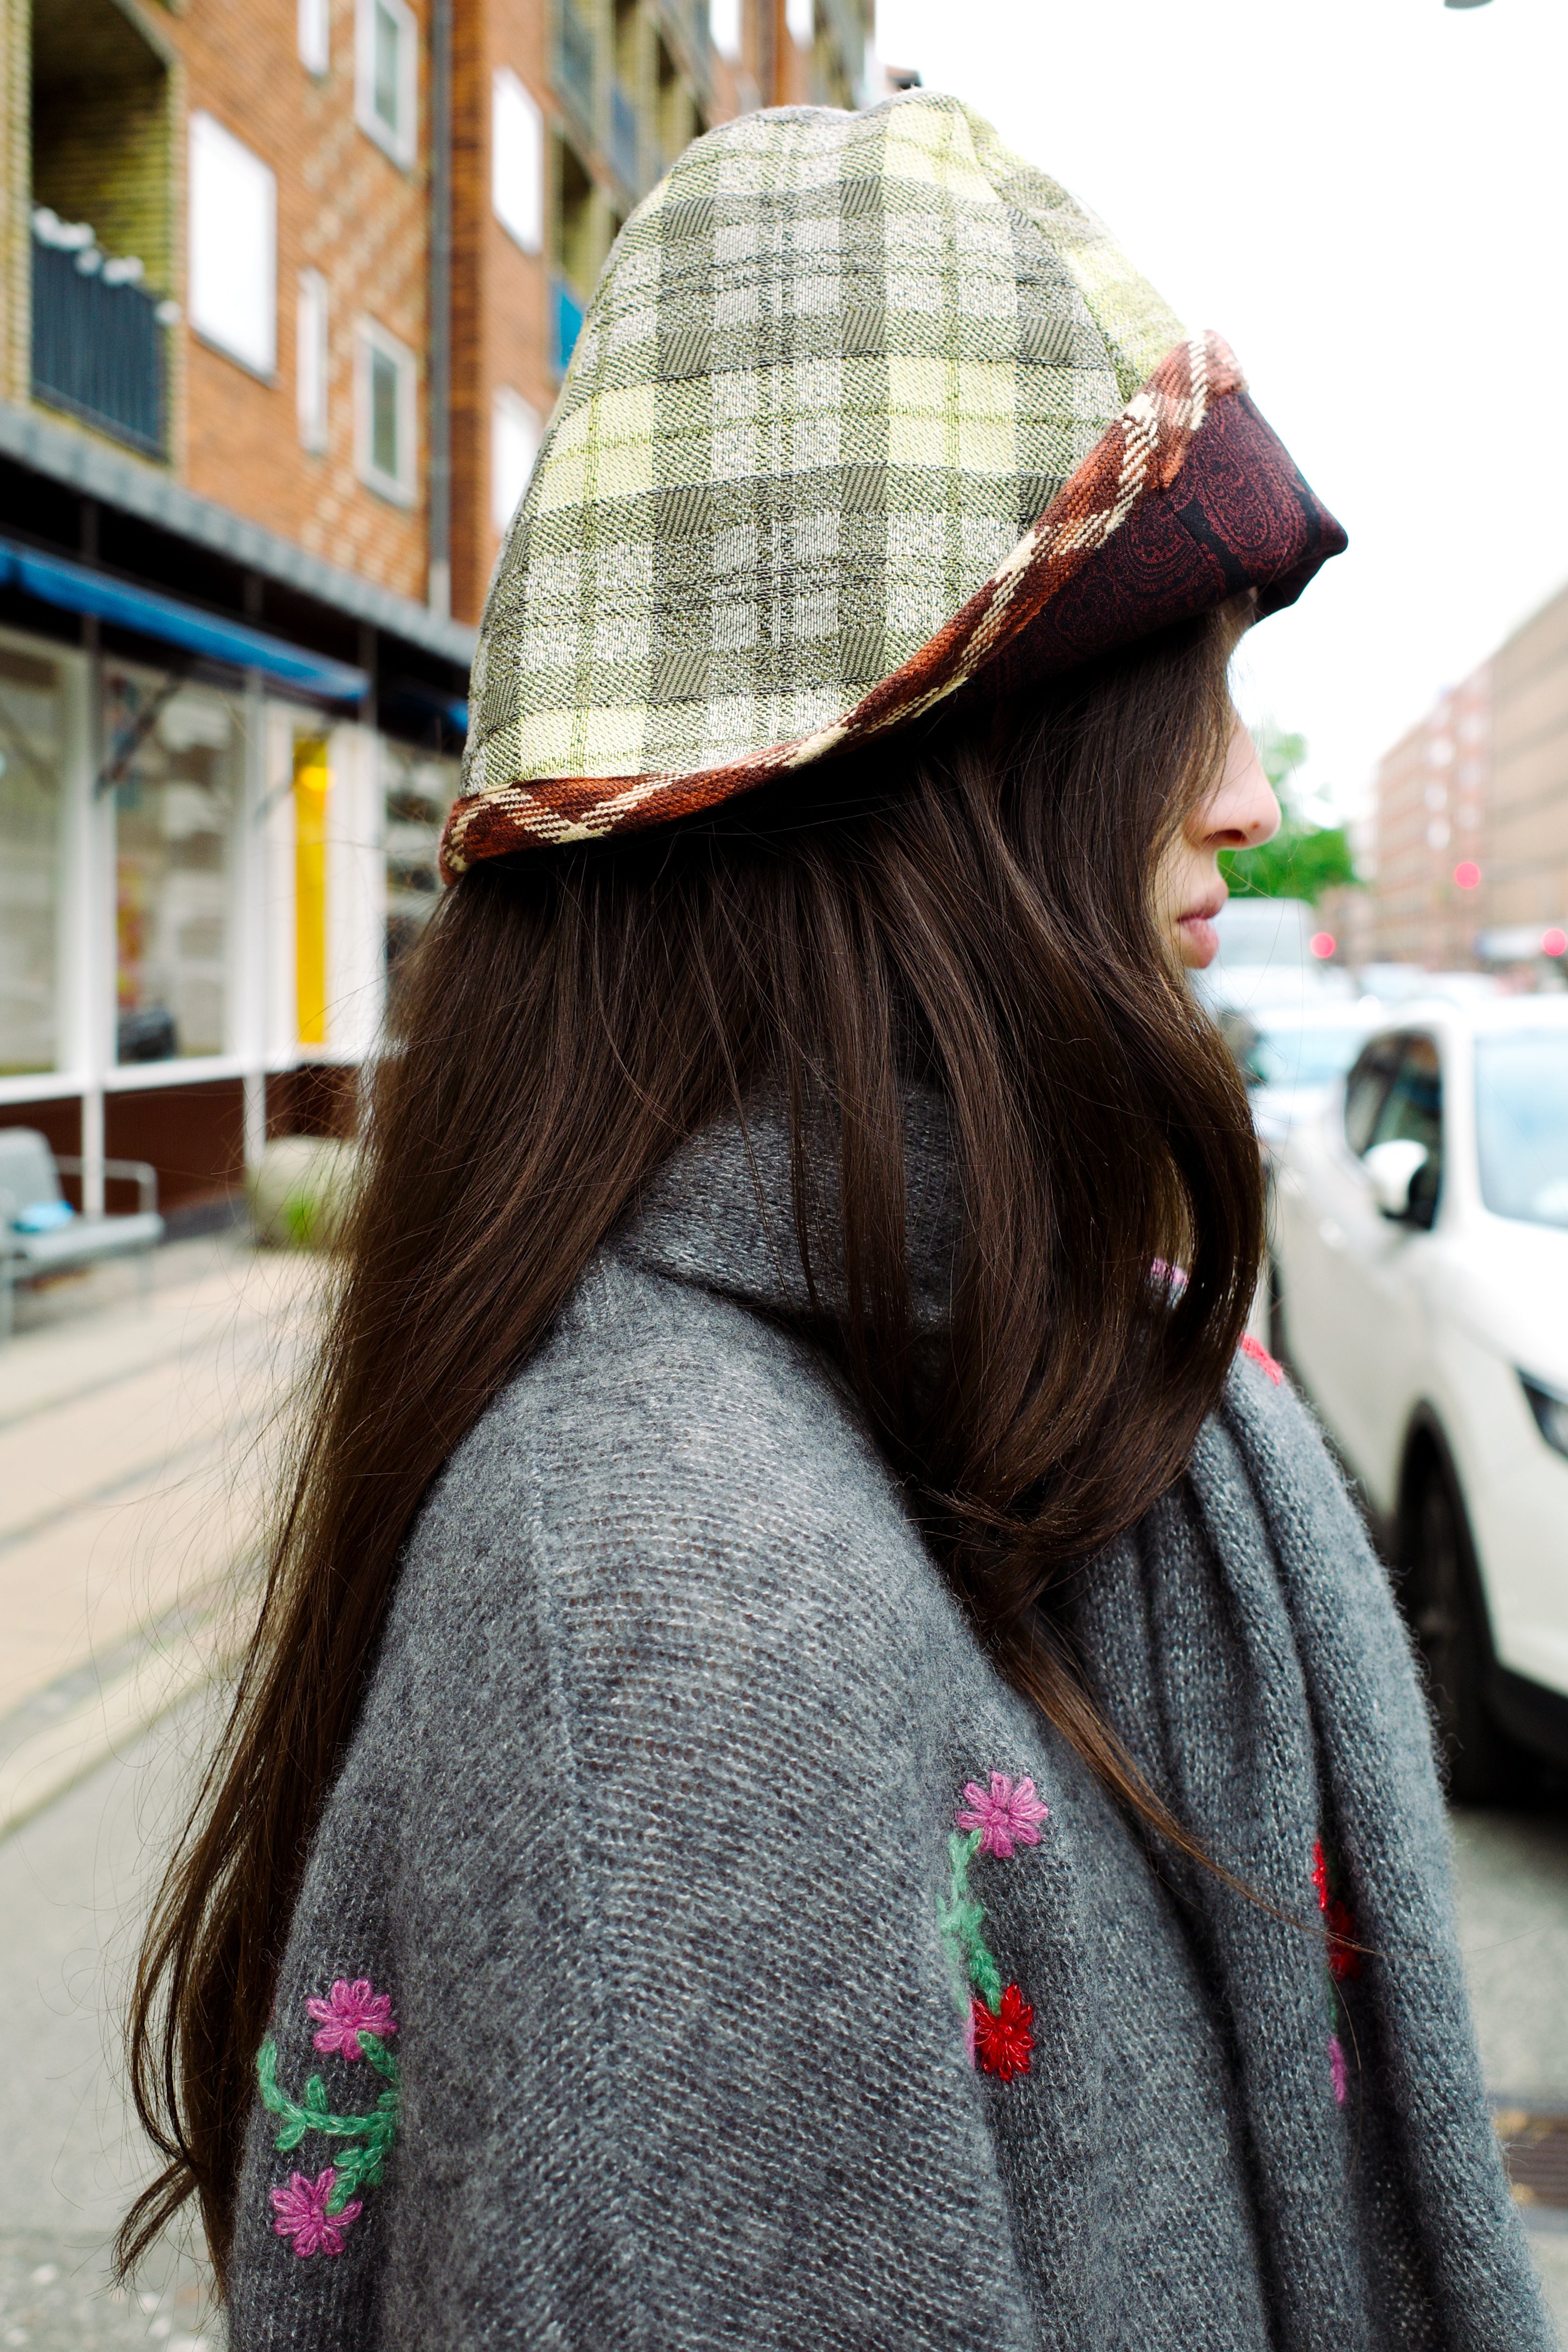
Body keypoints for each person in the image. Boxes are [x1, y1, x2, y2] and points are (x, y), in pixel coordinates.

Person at [124, 94, 1550, 2350]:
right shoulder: (668, 1617)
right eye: (1191, 681)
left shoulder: (1016, 1366)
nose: (1257, 797)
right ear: (923, 766)